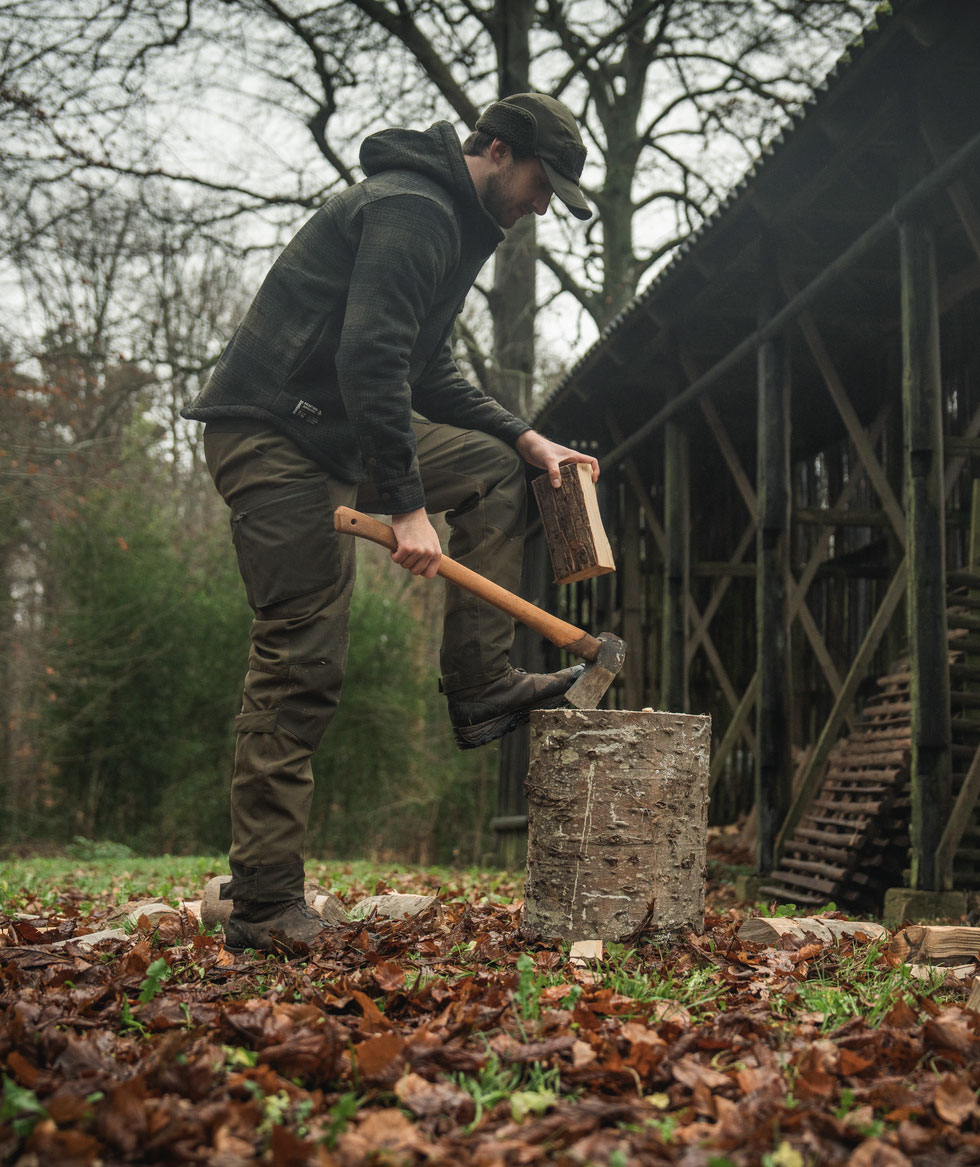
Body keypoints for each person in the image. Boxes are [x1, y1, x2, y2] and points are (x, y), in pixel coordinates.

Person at [181, 93, 600, 954]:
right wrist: (409, 508)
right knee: (302, 654)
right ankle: (263, 903)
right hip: (270, 434)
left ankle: (480, 684)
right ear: (494, 148)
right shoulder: (412, 208)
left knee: (490, 467)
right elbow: (370, 357)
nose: (541, 204)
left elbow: (424, 367)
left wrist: (522, 435)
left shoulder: (451, 220)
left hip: (330, 431)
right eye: (539, 182)